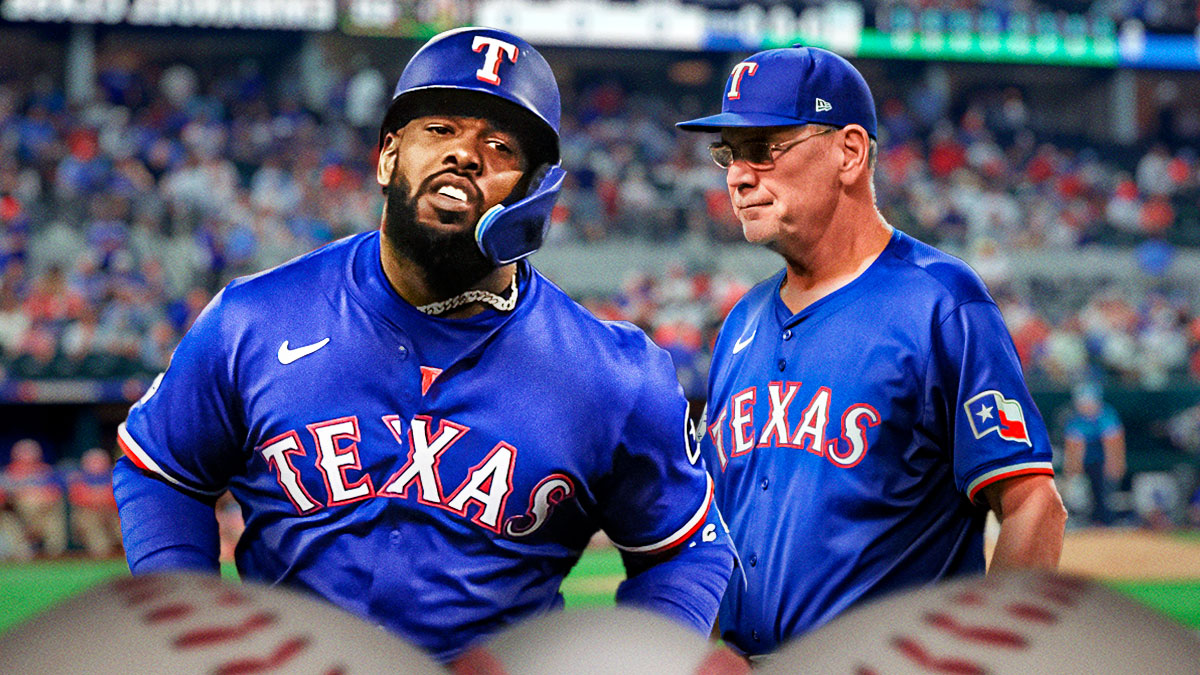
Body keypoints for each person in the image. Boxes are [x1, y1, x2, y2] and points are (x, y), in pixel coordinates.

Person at [113, 27, 733, 664]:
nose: (466, 155)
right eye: (439, 129)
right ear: (387, 157)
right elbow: (161, 472)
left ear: (536, 193)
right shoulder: (252, 318)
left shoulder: (614, 375)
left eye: (499, 146)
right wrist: (194, 632)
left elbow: (686, 551)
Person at [676, 46, 1067, 658]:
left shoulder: (940, 301)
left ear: (850, 152)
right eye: (728, 153)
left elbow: (1032, 508)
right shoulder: (740, 323)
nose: (737, 174)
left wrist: (986, 661)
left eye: (764, 148)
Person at [1062, 383, 1125, 526]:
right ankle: (1083, 520)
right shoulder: (1074, 419)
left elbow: (1114, 446)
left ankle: (1105, 520)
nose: (1086, 407)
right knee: (1078, 489)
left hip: (1102, 461)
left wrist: (1116, 467)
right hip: (1086, 461)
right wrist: (1072, 473)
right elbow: (1073, 451)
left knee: (1105, 489)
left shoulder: (1107, 415)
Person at [2, 438, 67, 557]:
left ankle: (54, 554)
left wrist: (39, 495)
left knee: (55, 513)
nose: (27, 456)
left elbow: (56, 492)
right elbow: (4, 496)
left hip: (44, 513)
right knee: (8, 517)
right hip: (18, 515)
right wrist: (25, 494)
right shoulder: (8, 473)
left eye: (30, 452)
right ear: (15, 454)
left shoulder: (46, 471)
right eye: (23, 452)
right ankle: (22, 552)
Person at [66, 448, 122, 557]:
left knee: (127, 528)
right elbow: (79, 499)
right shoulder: (78, 477)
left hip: (113, 514)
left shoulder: (115, 475)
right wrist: (102, 496)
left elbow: (117, 497)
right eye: (93, 462)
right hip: (89, 515)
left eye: (100, 461)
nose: (97, 465)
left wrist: (96, 496)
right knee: (100, 547)